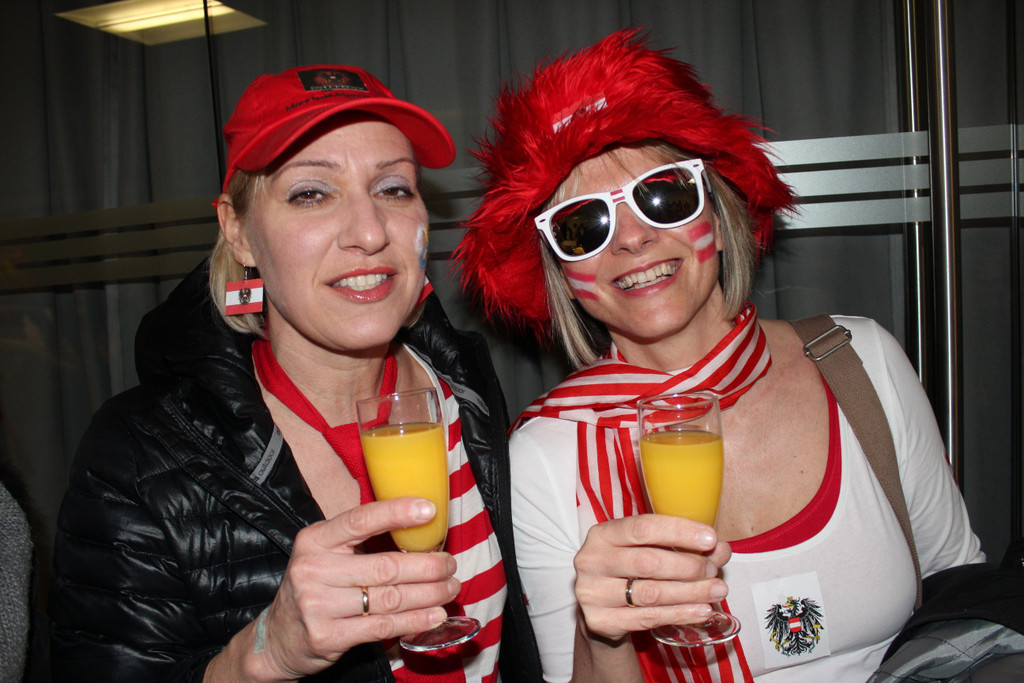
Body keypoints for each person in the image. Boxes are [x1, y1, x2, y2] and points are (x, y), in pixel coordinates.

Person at [455, 29, 983, 682]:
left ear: (718, 211)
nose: (633, 239)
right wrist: (605, 634)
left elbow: (962, 594)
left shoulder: (859, 363)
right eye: (584, 225)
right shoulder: (545, 458)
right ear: (562, 275)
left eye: (664, 195)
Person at [49, 64, 541, 682]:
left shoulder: (464, 383)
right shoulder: (138, 452)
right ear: (238, 231)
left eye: (394, 189)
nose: (369, 232)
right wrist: (265, 654)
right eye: (312, 193)